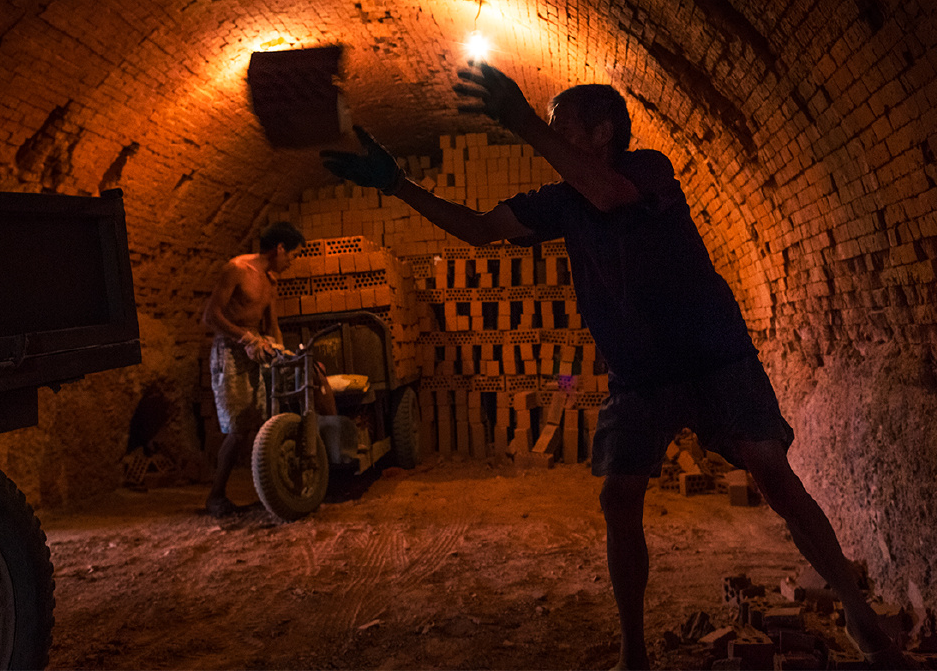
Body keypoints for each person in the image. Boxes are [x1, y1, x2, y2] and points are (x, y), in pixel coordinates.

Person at [321, 62, 905, 670]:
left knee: (772, 475)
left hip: (712, 354)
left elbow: (608, 194)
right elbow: (477, 230)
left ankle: (860, 617)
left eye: (562, 126)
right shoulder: (559, 202)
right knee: (618, 499)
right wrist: (398, 185)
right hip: (640, 375)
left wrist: (521, 120)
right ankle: (633, 653)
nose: (552, 135)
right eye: (548, 126)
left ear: (604, 132)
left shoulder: (647, 169)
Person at [201, 221, 335, 516]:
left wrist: (282, 353)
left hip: (257, 350)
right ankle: (215, 496)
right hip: (230, 352)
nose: (292, 262)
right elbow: (210, 316)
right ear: (279, 248)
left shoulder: (271, 281)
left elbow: (272, 325)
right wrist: (246, 338)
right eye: (293, 255)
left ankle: (269, 491)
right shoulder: (237, 269)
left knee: (262, 423)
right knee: (238, 429)